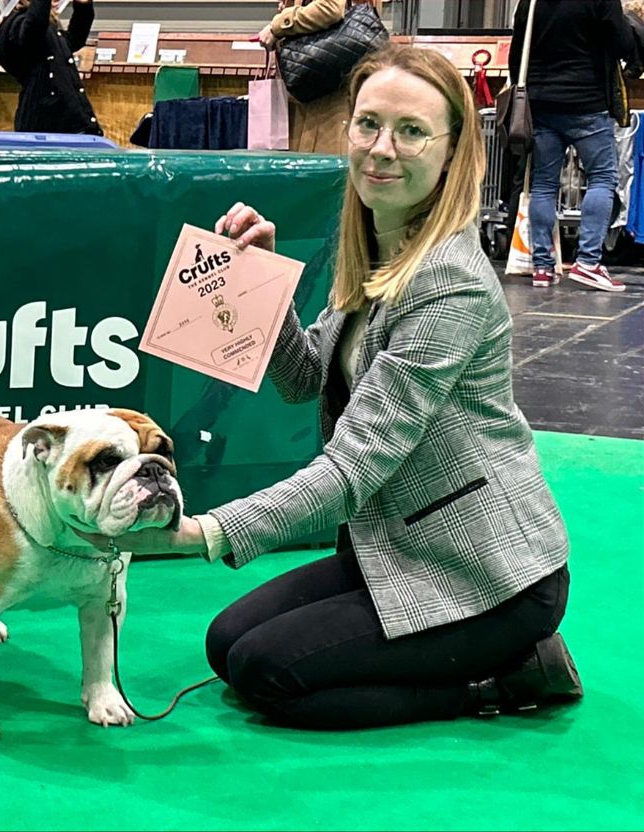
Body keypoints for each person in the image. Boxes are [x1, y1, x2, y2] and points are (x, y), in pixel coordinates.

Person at [81, 44, 583, 730]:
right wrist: (261, 284)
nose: (382, 149)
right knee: (230, 646)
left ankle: (509, 676)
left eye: (411, 131)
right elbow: (303, 379)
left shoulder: (450, 283)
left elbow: (354, 468)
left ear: (451, 152)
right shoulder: (379, 242)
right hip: (397, 545)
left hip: (491, 574)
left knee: (271, 673)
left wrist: (206, 533)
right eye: (368, 124)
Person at [509, 0, 636, 291]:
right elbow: (622, 44)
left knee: (543, 185)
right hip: (587, 102)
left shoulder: (531, 1)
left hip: (541, 103)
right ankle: (588, 263)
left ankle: (542, 266)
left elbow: (518, 52)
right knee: (602, 178)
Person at [257, 0, 382, 154]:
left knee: (322, 161)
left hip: (322, 87)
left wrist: (277, 26)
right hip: (314, 78)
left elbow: (329, 8)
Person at [0, 0, 102, 135]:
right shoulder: (16, 27)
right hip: (48, 129)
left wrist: (82, 6)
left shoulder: (47, 32)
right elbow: (36, 24)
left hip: (71, 126)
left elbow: (75, 39)